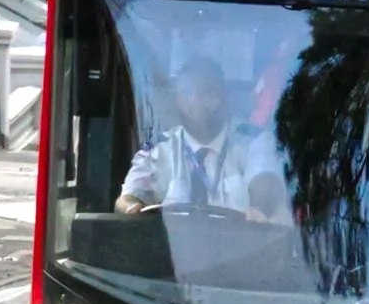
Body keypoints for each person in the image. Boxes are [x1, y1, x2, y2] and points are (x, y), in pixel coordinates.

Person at [116, 53, 283, 216]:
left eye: (208, 92)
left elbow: (265, 185)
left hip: (240, 242)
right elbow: (127, 199)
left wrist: (259, 208)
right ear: (177, 99)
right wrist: (132, 209)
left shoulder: (254, 141)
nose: (196, 102)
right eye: (187, 92)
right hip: (174, 244)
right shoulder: (160, 149)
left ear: (224, 96)